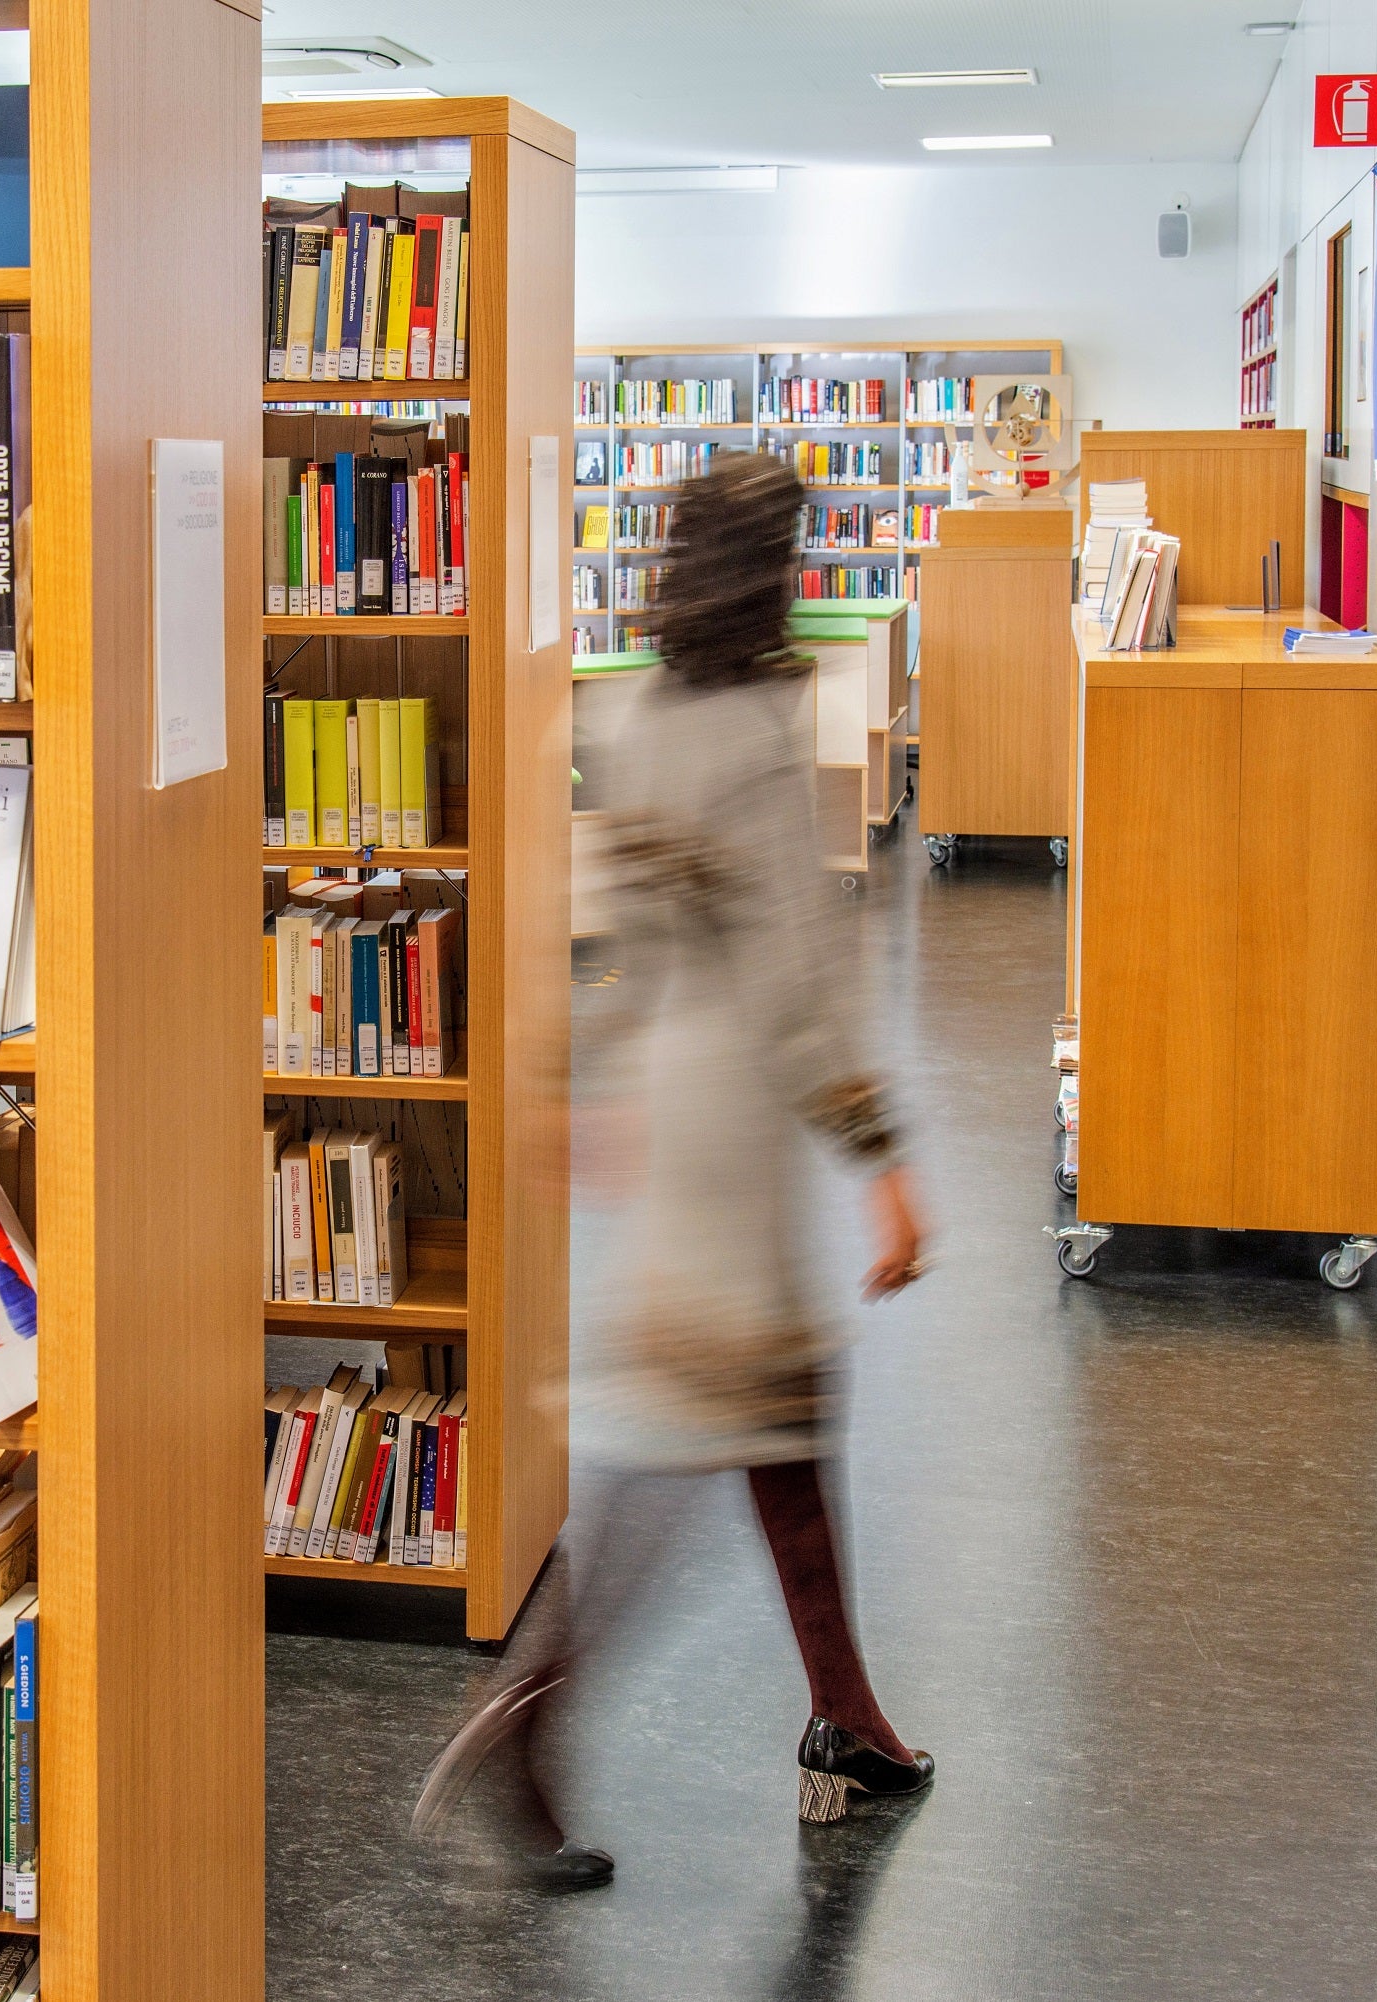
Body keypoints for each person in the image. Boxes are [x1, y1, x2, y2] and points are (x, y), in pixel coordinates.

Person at [410, 454, 931, 1892]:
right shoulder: (758, 731)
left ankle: (848, 1718)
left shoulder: (627, 714)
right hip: (740, 1118)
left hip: (673, 1086)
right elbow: (795, 974)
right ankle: (522, 1724)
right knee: (690, 1439)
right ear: (772, 575)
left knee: (775, 1415)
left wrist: (574, 1077)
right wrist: (881, 1157)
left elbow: (626, 932)